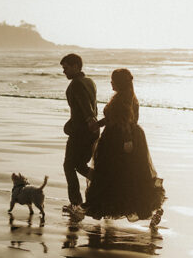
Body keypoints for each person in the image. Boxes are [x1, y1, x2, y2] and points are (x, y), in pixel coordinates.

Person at [84, 68, 165, 226]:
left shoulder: (124, 98)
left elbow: (126, 121)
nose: (111, 83)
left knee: (119, 177)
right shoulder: (123, 96)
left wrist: (127, 141)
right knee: (125, 177)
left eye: (113, 80)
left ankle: (147, 210)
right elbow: (111, 118)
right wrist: (97, 125)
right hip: (118, 138)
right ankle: (108, 209)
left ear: (119, 82)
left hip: (119, 140)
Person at [60, 53, 99, 214]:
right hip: (91, 131)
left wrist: (89, 120)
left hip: (81, 132)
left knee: (69, 165)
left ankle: (76, 203)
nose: (64, 72)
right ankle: (101, 181)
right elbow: (89, 106)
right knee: (79, 165)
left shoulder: (76, 84)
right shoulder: (89, 81)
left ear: (76, 66)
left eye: (66, 68)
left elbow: (85, 106)